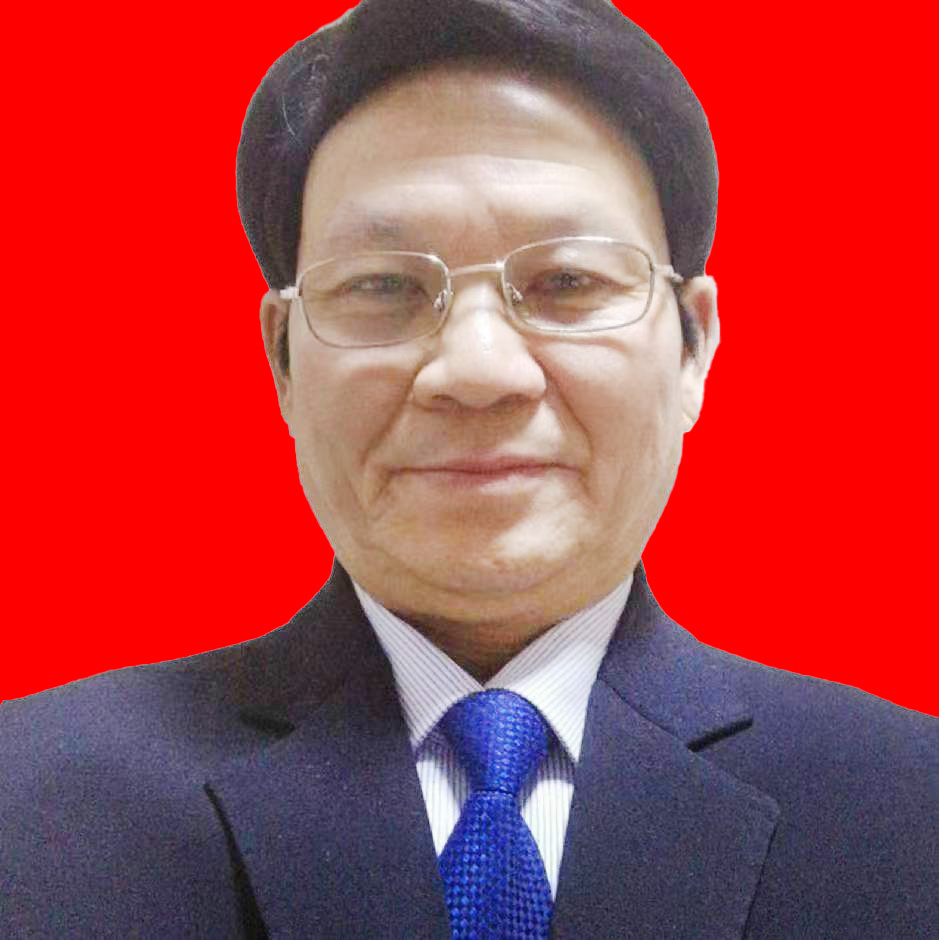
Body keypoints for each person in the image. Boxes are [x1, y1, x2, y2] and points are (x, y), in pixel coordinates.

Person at [2, 1, 936, 936]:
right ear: (282, 359)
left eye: (566, 282)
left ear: (693, 346)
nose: (478, 372)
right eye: (383, 286)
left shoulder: (907, 810)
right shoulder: (31, 805)